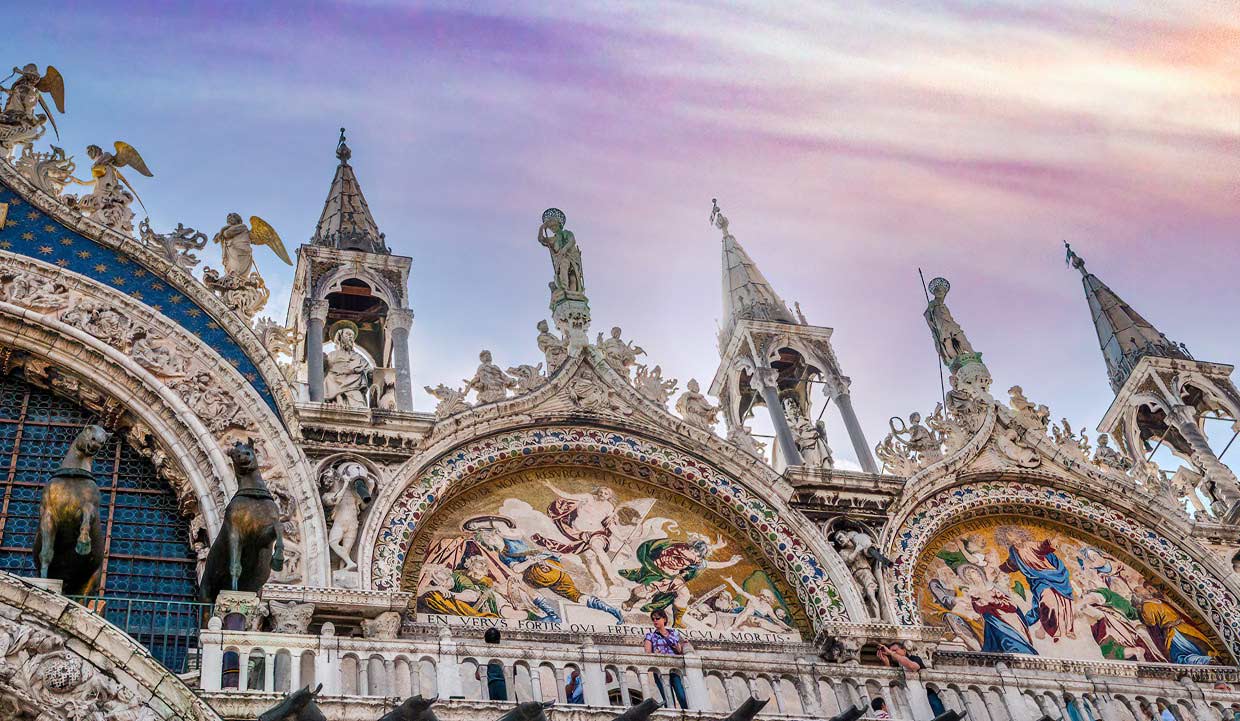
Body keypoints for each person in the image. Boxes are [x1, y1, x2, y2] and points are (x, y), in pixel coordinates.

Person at [643, 610, 688, 709]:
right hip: (660, 671)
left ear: (664, 619)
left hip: (675, 669)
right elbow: (647, 655)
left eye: (657, 618)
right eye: (653, 619)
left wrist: (678, 648)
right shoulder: (650, 636)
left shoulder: (675, 633)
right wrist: (655, 654)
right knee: (668, 699)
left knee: (682, 697)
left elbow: (683, 649)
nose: (655, 621)